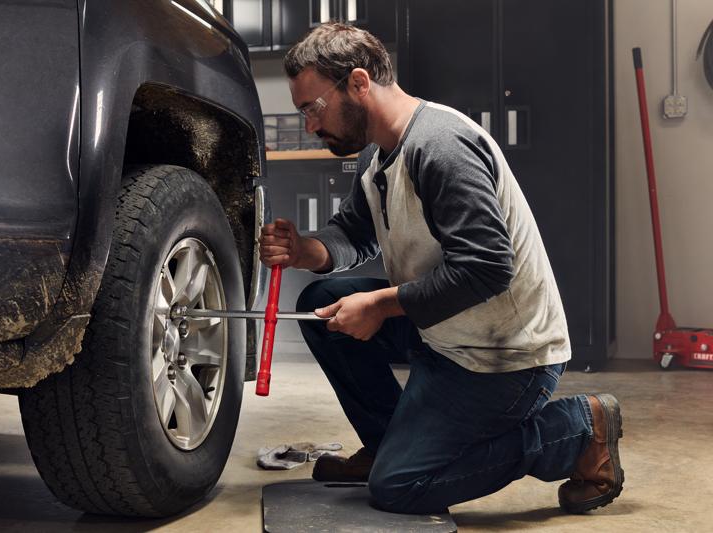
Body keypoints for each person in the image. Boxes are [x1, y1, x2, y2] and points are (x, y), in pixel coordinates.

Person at [258, 22, 623, 515]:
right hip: (446, 332)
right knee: (323, 307)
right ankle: (389, 444)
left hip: (505, 356)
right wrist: (306, 250)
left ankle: (576, 431)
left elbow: (487, 268)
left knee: (399, 488)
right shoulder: (378, 157)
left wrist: (380, 305)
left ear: (359, 83)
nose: (310, 126)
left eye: (313, 108)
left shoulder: (441, 146)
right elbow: (354, 234)